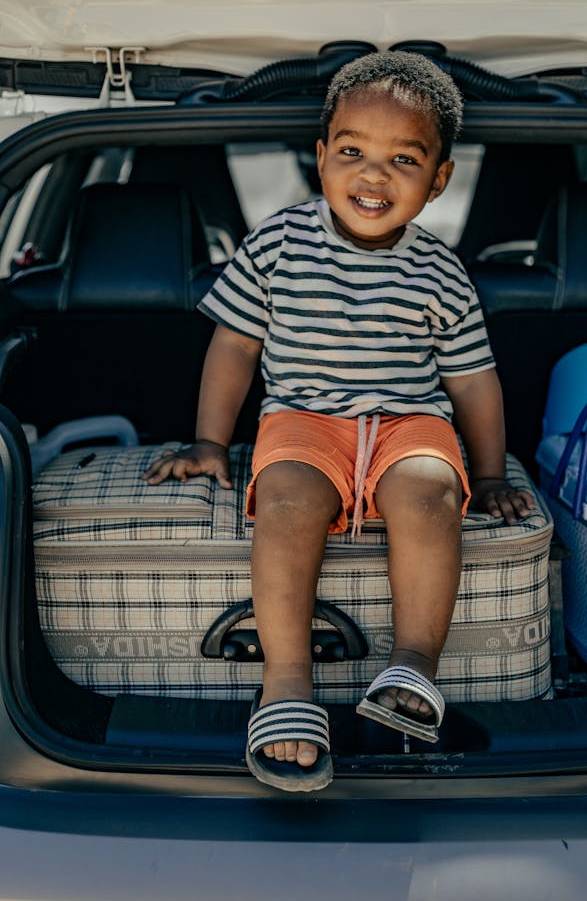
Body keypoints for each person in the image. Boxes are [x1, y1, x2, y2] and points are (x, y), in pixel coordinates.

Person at [142, 50, 533, 792]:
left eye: (403, 159)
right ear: (320, 157)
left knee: (429, 493)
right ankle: (287, 684)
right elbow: (234, 345)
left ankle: (412, 668)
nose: (373, 175)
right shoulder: (278, 245)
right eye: (351, 151)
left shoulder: (441, 271)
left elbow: (474, 382)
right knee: (285, 499)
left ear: (439, 179)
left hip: (407, 422)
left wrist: (486, 474)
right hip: (302, 418)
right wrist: (208, 442)